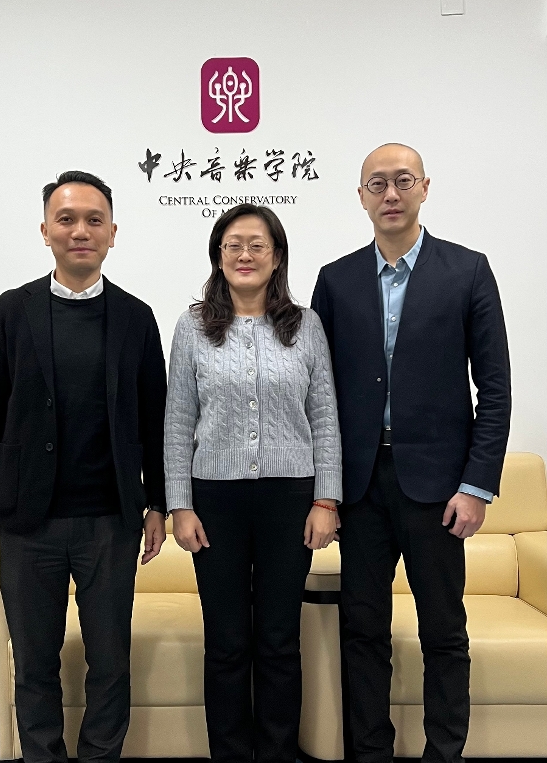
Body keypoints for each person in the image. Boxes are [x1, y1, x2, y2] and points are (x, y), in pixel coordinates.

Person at [311, 143, 511, 763]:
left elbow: (495, 388)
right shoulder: (336, 280)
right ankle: (370, 752)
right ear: (361, 197)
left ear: (425, 187)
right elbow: (317, 393)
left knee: (444, 632)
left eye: (403, 181)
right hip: (362, 485)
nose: (390, 194)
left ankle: (444, 753)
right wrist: (326, 490)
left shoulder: (467, 271)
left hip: (440, 488)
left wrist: (476, 486)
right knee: (362, 631)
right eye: (377, 184)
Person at [0, 170, 167, 763]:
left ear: (112, 233)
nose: (81, 231)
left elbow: (154, 419)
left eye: (94, 220)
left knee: (110, 662)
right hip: (30, 521)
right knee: (34, 662)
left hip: (110, 522)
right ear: (46, 230)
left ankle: (100, 756)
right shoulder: (12, 311)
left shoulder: (135, 317)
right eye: (67, 219)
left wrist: (157, 503)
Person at [164, 204, 342, 763]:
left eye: (257, 244)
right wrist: (179, 505)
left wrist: (326, 498)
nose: (245, 254)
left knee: (278, 641)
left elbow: (325, 416)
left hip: (290, 498)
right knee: (226, 642)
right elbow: (178, 419)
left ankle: (278, 753)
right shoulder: (193, 326)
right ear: (218, 256)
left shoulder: (305, 325)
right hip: (214, 500)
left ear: (277, 256)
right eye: (233, 244)